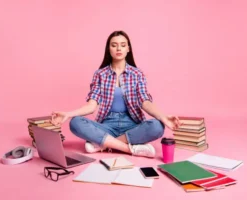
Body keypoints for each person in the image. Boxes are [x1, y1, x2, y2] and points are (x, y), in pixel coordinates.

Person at [51, 30, 181, 158]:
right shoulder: (100, 74)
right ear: (109, 49)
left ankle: (103, 144)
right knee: (75, 122)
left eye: (123, 45)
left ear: (128, 49)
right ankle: (129, 148)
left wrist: (163, 117)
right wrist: (68, 114)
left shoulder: (137, 74)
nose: (119, 48)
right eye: (114, 45)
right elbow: (91, 106)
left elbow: (145, 101)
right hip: (107, 125)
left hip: (132, 125)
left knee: (157, 126)